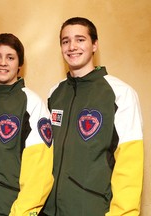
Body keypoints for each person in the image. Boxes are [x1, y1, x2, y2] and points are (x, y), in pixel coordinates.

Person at [40, 17, 144, 216]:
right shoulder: (54, 93)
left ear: (94, 44)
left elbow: (130, 165)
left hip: (91, 209)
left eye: (80, 39)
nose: (72, 47)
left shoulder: (120, 93)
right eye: (65, 41)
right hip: (49, 210)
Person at [0, 33, 54, 216]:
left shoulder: (31, 104)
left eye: (10, 58)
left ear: (20, 64)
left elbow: (39, 174)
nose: (3, 63)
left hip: (7, 208)